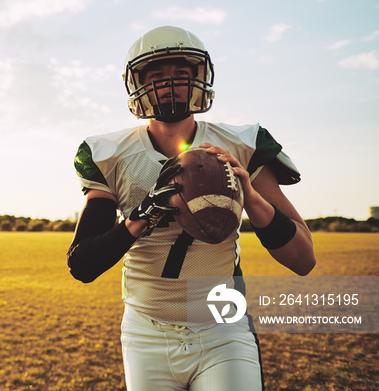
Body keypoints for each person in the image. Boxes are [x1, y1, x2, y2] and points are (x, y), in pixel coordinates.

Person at [67, 26, 315, 390]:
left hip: (222, 328)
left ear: (199, 79)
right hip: (145, 332)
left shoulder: (242, 144)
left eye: (181, 74)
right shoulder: (111, 153)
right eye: (156, 75)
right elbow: (83, 264)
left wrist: (250, 194)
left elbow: (304, 259)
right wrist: (144, 213)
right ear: (137, 84)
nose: (169, 84)